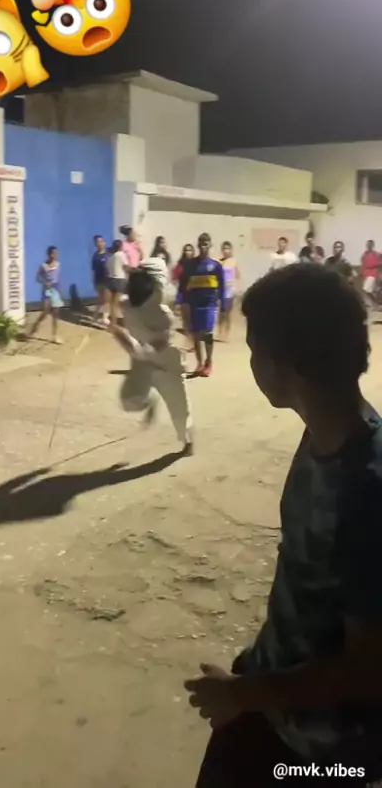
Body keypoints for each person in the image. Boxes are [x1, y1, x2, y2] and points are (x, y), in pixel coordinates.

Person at [185, 263, 382, 787]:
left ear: (281, 365)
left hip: (324, 751)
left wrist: (241, 695)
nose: (251, 363)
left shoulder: (367, 488)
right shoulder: (322, 435)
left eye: (254, 350)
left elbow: (368, 669)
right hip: (269, 697)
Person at [111, 258, 193, 456]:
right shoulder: (129, 306)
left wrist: (120, 335)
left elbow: (157, 345)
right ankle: (152, 402)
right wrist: (113, 326)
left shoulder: (161, 314)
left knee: (179, 408)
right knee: (129, 400)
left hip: (164, 363)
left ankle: (187, 441)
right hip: (144, 360)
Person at [179, 233, 225, 377]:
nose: (203, 247)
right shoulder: (190, 265)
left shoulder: (216, 266)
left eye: (206, 244)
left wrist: (223, 303)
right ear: (198, 246)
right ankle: (199, 363)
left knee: (207, 333)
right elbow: (182, 286)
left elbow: (222, 286)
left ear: (210, 245)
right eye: (201, 244)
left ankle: (209, 361)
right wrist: (182, 302)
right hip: (194, 304)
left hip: (209, 304)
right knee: (196, 334)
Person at [29, 246, 63, 344]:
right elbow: (37, 277)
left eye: (56, 253)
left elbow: (58, 277)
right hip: (47, 290)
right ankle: (35, 328)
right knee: (45, 311)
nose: (54, 255)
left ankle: (55, 335)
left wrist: (60, 288)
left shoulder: (58, 264)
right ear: (48, 254)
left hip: (55, 289)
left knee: (56, 313)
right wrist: (45, 282)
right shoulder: (43, 266)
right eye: (52, 253)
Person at [173, 244, 195, 350]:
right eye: (186, 250)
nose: (188, 252)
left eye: (190, 250)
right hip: (183, 293)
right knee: (186, 320)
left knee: (194, 319)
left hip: (194, 294)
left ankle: (193, 341)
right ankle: (189, 342)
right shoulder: (180, 264)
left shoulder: (196, 263)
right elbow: (175, 278)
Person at [218, 241, 241, 343]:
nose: (226, 251)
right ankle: (220, 331)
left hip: (230, 288)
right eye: (224, 249)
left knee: (228, 312)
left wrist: (237, 289)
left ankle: (227, 333)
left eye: (228, 248)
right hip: (221, 288)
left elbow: (238, 276)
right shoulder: (219, 262)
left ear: (231, 250)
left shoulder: (233, 261)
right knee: (221, 312)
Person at [106, 239, 129, 325]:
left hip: (111, 280)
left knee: (113, 303)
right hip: (119, 279)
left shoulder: (110, 258)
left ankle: (113, 322)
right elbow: (125, 267)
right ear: (120, 246)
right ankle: (120, 322)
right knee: (120, 302)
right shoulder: (121, 254)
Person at [91, 235, 109, 325]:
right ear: (95, 244)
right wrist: (94, 281)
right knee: (101, 300)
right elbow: (93, 270)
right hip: (99, 280)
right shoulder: (95, 256)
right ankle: (96, 315)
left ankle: (105, 317)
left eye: (101, 241)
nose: (100, 243)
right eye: (98, 242)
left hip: (108, 280)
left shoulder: (108, 253)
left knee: (107, 299)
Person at [361, 240, 381, 305]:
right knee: (371, 290)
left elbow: (379, 264)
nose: (369, 246)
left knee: (366, 289)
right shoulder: (364, 254)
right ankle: (376, 303)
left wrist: (379, 275)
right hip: (366, 274)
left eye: (371, 244)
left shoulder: (376, 254)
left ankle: (376, 302)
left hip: (373, 274)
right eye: (368, 244)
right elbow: (363, 265)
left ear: (373, 245)